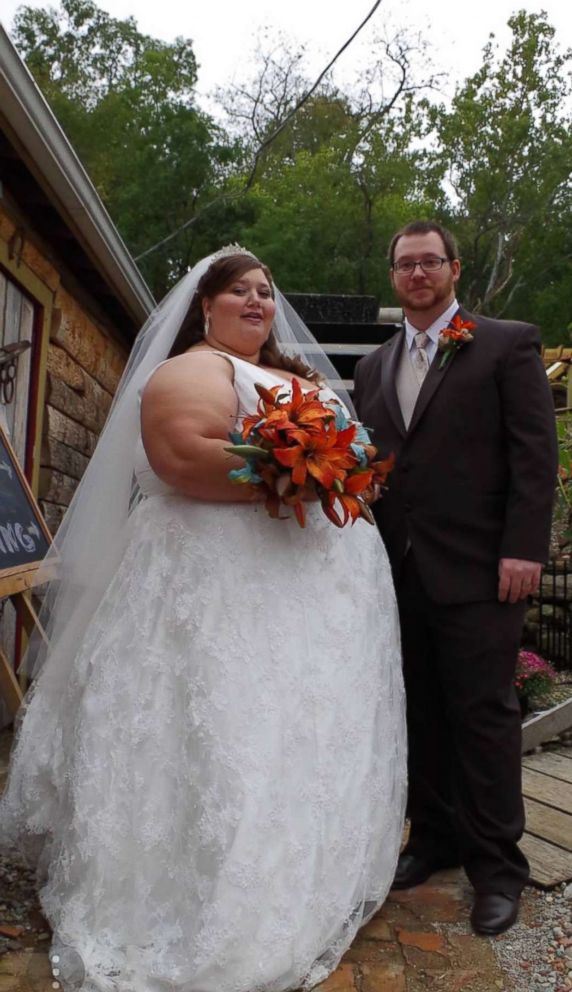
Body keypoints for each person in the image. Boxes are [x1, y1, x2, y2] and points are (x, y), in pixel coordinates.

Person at [0, 247, 406, 992]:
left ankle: (300, 873)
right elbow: (184, 457)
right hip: (224, 586)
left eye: (264, 291)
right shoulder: (195, 369)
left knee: (301, 733)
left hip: (311, 602)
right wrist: (298, 475)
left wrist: (343, 472)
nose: (257, 301)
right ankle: (209, 896)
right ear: (205, 307)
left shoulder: (297, 376)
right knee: (227, 729)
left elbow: (347, 460)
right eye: (239, 292)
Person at [353, 220, 557, 937]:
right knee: (420, 715)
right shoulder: (373, 367)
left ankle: (498, 868)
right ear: (393, 275)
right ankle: (433, 839)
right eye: (405, 264)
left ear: (453, 269)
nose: (417, 273)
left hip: (482, 570)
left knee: (485, 718)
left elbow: (534, 456)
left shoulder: (505, 343)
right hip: (397, 570)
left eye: (429, 262)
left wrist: (524, 550)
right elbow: (377, 466)